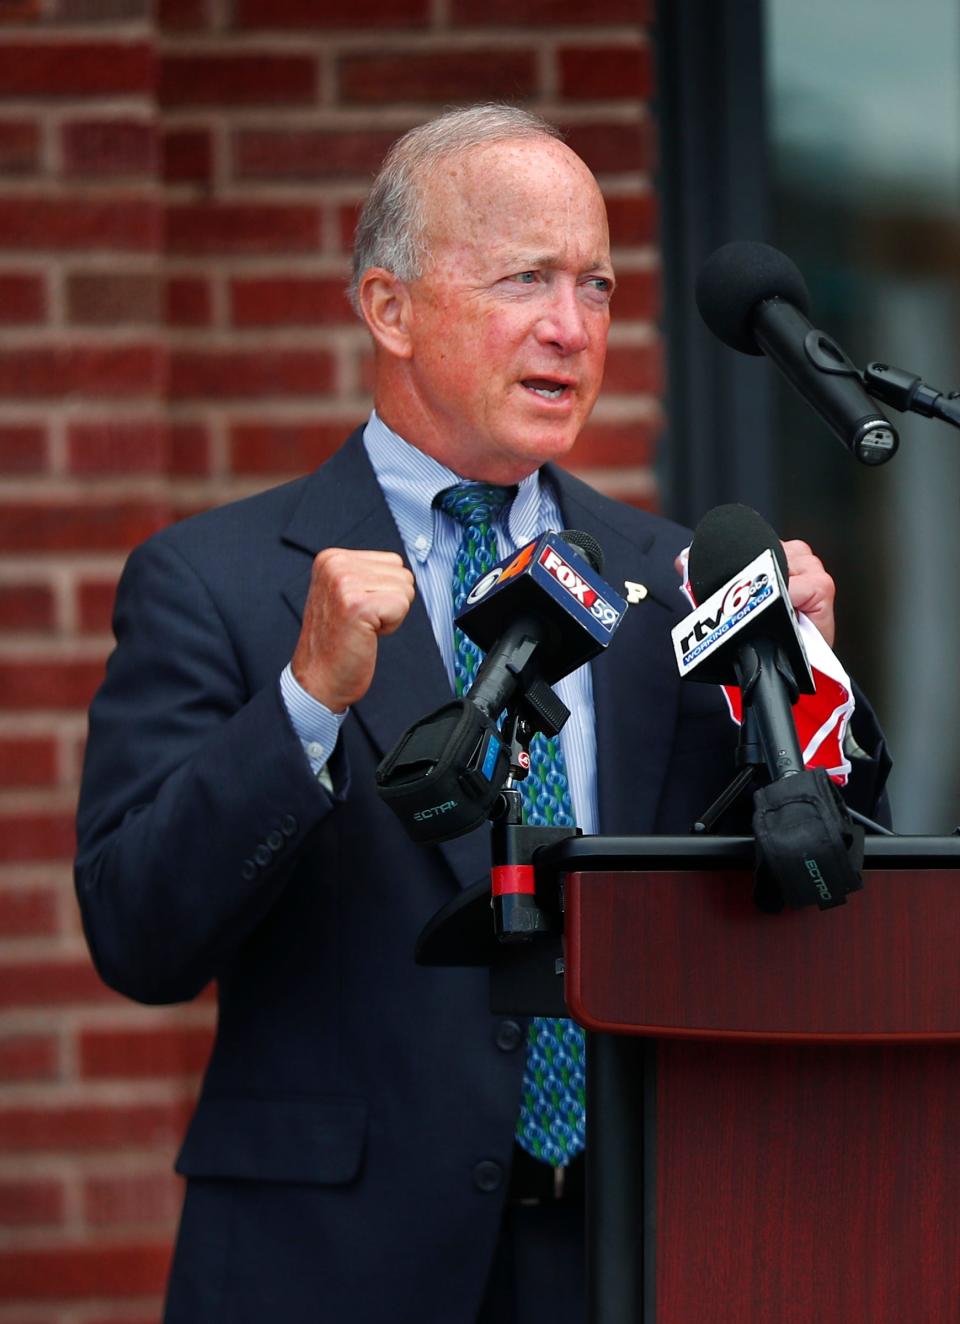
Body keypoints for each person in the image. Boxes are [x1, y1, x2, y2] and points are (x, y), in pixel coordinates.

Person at [74, 104, 889, 1323]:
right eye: (527, 279)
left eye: (598, 285)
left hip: (642, 1252)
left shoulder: (678, 575)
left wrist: (808, 684)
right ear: (388, 308)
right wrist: (306, 700)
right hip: (336, 1266)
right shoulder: (219, 581)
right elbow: (138, 934)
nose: (573, 327)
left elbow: (823, 879)